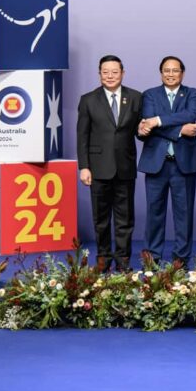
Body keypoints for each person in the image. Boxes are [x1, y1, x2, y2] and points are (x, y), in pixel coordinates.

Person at [137, 56, 196, 268]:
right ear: (161, 73)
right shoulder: (150, 95)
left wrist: (158, 121)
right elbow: (149, 119)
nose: (170, 74)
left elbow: (190, 114)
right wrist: (180, 129)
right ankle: (153, 257)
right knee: (154, 213)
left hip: (183, 163)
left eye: (175, 70)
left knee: (184, 214)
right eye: (166, 70)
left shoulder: (193, 93)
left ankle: (181, 258)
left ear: (182, 73)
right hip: (156, 163)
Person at [76, 55, 142, 271]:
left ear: (123, 73)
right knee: (101, 219)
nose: (110, 76)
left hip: (125, 167)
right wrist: (84, 166)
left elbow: (139, 133)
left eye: (115, 71)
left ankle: (123, 261)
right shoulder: (88, 99)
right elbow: (82, 135)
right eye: (106, 72)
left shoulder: (135, 97)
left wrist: (143, 132)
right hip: (97, 168)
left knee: (125, 219)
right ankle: (103, 258)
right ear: (100, 74)